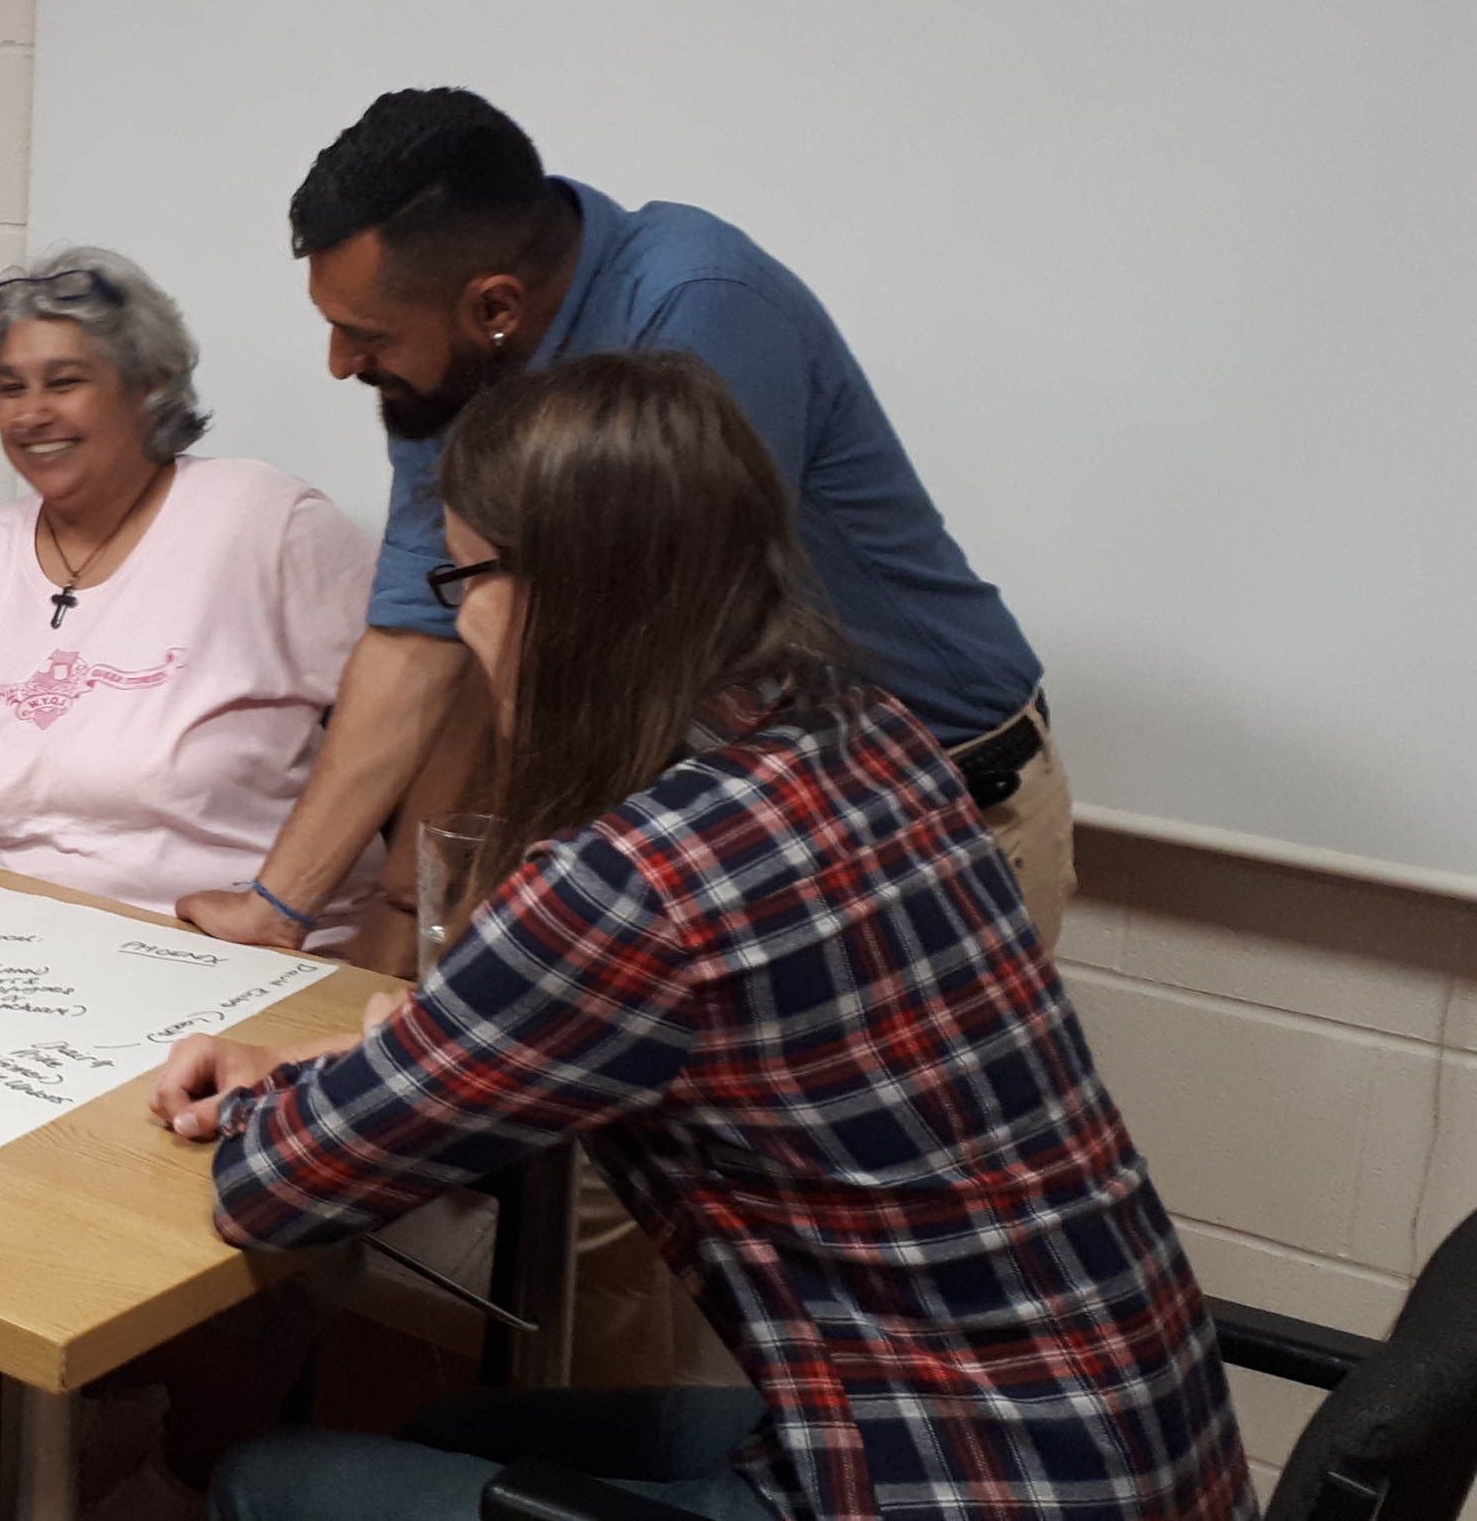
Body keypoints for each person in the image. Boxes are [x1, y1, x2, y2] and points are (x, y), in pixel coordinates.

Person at [154, 354, 1250, 1521]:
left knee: (271, 1483)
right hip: (1127, 1442)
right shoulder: (867, 736)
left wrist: (300, 1101)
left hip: (949, 1481)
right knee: (448, 1427)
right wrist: (382, 1066)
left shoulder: (630, 884)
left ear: (565, 595)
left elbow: (273, 1192)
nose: (458, 615)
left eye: (463, 574)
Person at [178, 89, 1069, 958]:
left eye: (363, 333)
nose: (342, 363)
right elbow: (421, 634)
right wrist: (278, 907)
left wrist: (436, 923)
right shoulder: (449, 369)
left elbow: (638, 666)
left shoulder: (699, 304)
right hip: (744, 813)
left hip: (936, 795)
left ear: (494, 307)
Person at [0, 249, 385, 939]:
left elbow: (431, 724)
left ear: (150, 387)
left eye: (65, 382)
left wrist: (403, 922)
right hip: (10, 963)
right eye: (10, 388)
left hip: (233, 961)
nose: (31, 415)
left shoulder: (265, 520)